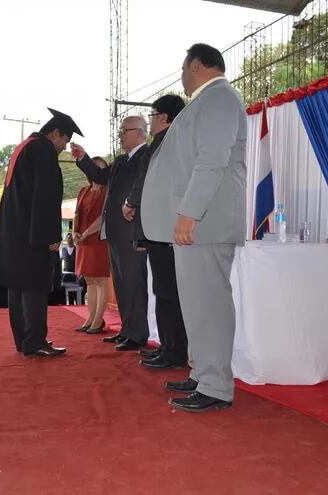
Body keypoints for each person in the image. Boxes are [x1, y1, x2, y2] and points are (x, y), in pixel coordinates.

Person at [140, 44, 247, 412]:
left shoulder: (219, 98)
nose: (182, 75)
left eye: (184, 67)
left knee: (210, 304)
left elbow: (212, 160)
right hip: (195, 223)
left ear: (197, 65)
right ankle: (204, 373)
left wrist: (189, 212)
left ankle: (216, 385)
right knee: (197, 305)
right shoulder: (206, 101)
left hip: (206, 222)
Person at [0, 108, 83, 357]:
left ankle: (24, 341)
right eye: (65, 141)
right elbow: (45, 196)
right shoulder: (44, 150)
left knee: (17, 288)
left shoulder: (25, 146)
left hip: (16, 232)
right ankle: (36, 340)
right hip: (34, 234)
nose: (63, 148)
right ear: (56, 133)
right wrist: (51, 236)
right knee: (35, 289)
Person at [70, 115, 150, 351]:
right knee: (122, 283)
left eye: (125, 131)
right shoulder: (121, 160)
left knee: (134, 283)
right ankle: (127, 330)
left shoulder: (147, 156)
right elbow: (100, 176)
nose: (121, 135)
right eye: (121, 131)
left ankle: (137, 334)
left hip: (132, 228)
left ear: (140, 133)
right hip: (115, 231)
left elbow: (142, 188)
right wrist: (83, 158)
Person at [123, 94, 188, 369]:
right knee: (163, 290)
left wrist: (131, 201)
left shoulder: (174, 142)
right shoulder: (163, 143)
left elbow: (149, 180)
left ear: (163, 117)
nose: (149, 122)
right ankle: (168, 346)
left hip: (167, 229)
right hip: (158, 229)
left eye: (152, 116)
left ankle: (175, 351)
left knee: (170, 291)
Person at [72, 156, 110, 334]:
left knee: (100, 280)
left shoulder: (108, 191)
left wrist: (86, 233)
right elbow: (77, 214)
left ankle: (98, 319)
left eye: (100, 167)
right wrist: (74, 233)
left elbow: (103, 216)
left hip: (98, 240)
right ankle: (90, 317)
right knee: (89, 279)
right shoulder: (84, 190)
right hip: (83, 241)